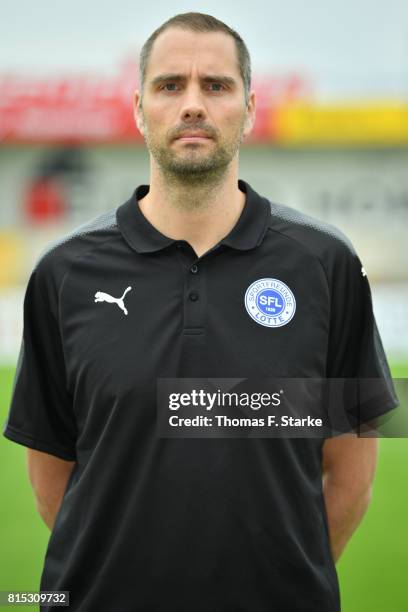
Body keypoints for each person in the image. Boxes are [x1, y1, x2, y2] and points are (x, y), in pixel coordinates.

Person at [2, 12, 399, 612]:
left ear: (249, 106)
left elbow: (350, 474)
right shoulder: (65, 273)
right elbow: (51, 475)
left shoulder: (326, 264)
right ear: (139, 109)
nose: (192, 104)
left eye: (215, 86)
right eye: (169, 86)